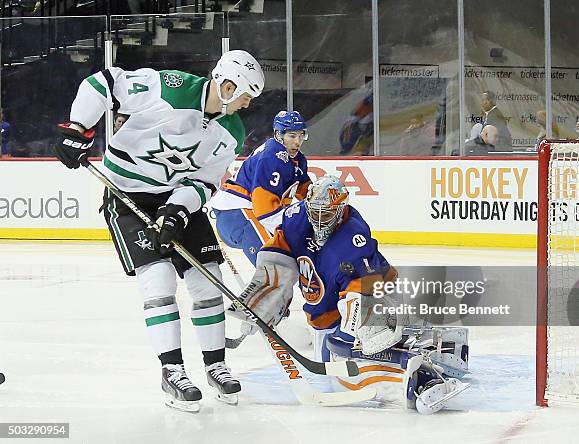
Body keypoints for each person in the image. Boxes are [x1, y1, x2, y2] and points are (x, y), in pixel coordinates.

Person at [53, 50, 265, 412]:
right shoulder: (172, 87)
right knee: (159, 279)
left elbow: (206, 182)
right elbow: (103, 83)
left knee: (207, 279)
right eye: (246, 95)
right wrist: (78, 129)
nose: (247, 103)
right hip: (128, 196)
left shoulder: (232, 130)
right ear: (228, 86)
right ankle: (172, 371)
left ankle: (216, 365)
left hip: (176, 202)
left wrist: (178, 211)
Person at [234, 175, 469, 413]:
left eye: (325, 214)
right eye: (313, 211)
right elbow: (278, 258)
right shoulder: (297, 220)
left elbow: (363, 285)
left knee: (352, 363)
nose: (317, 220)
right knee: (332, 373)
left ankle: (422, 376)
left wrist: (355, 329)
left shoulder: (352, 238)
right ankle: (437, 343)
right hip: (324, 314)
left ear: (339, 211)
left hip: (370, 295)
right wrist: (261, 301)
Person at [210, 110, 311, 266]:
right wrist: (294, 228)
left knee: (287, 265)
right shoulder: (272, 157)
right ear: (279, 135)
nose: (297, 141)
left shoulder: (297, 159)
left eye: (301, 135)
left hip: (252, 213)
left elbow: (306, 191)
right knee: (275, 264)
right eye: (292, 136)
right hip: (237, 214)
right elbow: (266, 211)